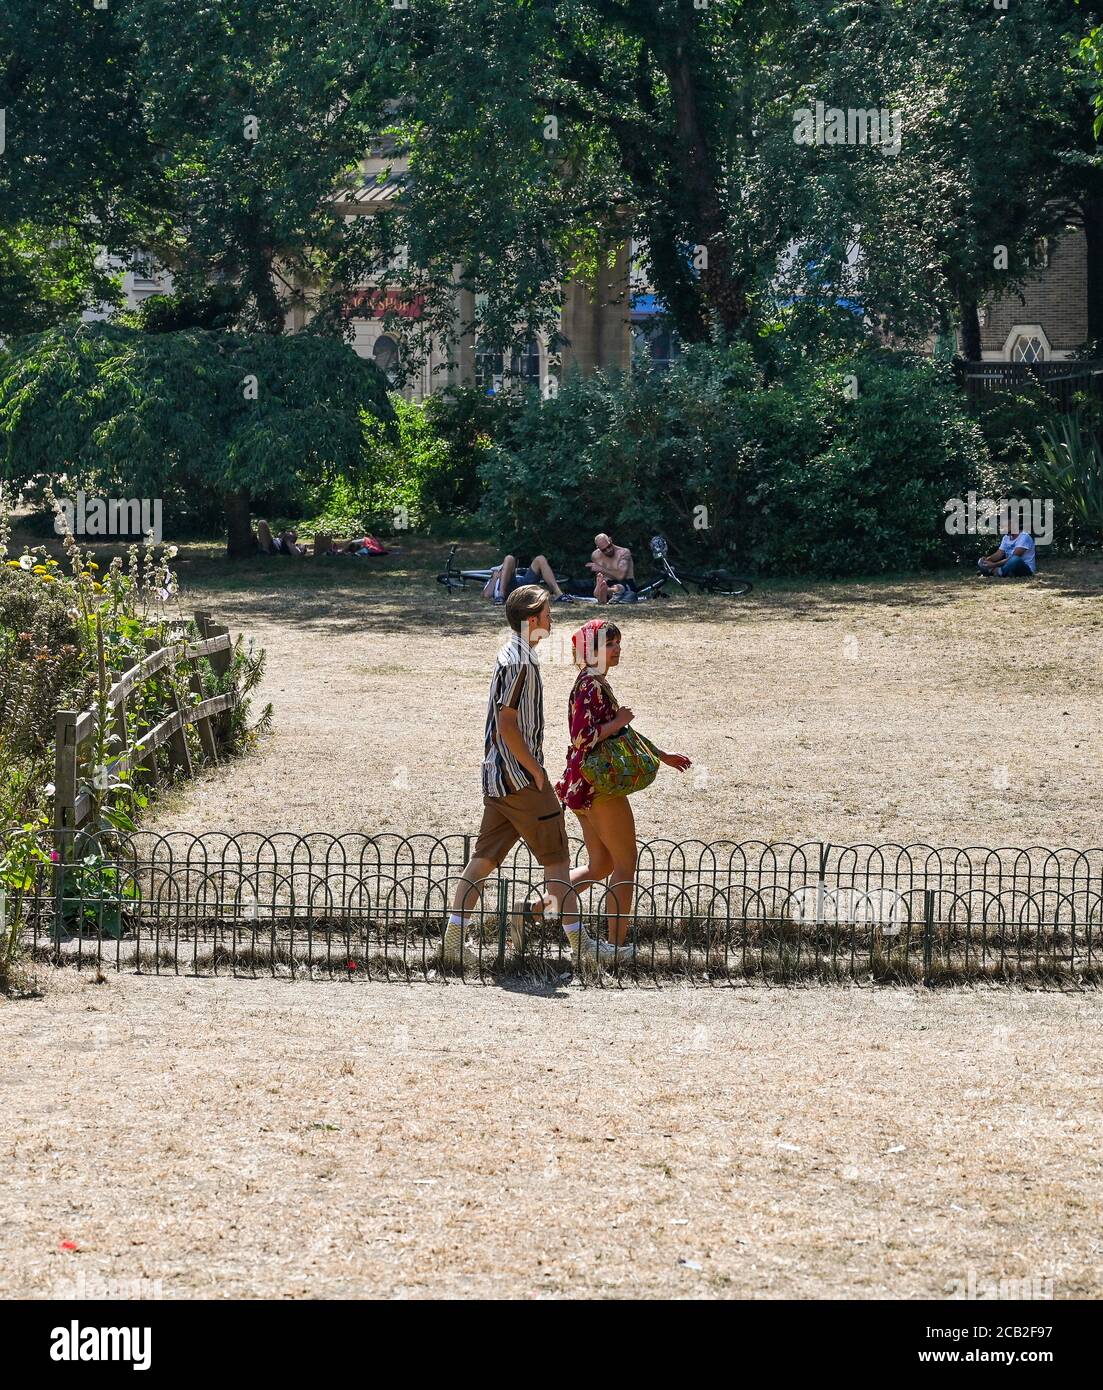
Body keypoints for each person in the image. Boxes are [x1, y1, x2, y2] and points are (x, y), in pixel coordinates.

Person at [444, 585, 611, 965]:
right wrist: (536, 770)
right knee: (557, 863)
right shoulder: (520, 661)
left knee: (483, 860)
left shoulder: (512, 653)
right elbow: (507, 723)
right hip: (521, 780)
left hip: (498, 779)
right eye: (548, 612)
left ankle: (452, 944)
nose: (552, 618)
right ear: (532, 618)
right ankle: (582, 948)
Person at [554, 618, 692, 950]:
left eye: (617, 643)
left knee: (601, 865)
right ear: (592, 650)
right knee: (625, 863)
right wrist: (619, 719)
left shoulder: (591, 682)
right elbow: (583, 737)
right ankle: (616, 947)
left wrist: (660, 754)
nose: (617, 650)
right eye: (610, 644)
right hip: (599, 786)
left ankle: (531, 911)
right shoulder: (591, 686)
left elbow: (619, 737)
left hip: (579, 786)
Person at [571, 532, 637, 603]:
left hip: (626, 583)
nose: (608, 550)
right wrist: (600, 582)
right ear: (598, 548)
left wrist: (601, 569)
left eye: (609, 546)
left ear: (610, 540)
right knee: (601, 585)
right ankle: (605, 593)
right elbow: (600, 577)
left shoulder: (624, 553)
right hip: (608, 583)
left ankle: (607, 591)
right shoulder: (595, 555)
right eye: (604, 550)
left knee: (619, 588)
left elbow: (620, 576)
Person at [483, 553, 568, 602]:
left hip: (522, 582)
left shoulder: (507, 570)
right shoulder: (494, 577)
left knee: (540, 558)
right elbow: (487, 595)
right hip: (510, 588)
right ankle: (500, 596)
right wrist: (494, 578)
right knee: (509, 558)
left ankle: (559, 594)